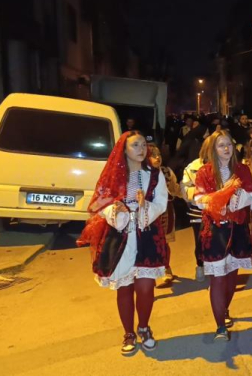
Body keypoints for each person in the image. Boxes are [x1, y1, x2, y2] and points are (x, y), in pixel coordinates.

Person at [77, 131, 168, 355]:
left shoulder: (154, 174)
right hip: (120, 235)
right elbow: (100, 203)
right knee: (124, 287)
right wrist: (115, 210)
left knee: (146, 287)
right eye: (135, 145)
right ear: (123, 149)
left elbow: (161, 203)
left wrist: (144, 206)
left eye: (143, 144)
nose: (141, 149)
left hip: (147, 233)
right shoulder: (114, 175)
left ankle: (144, 327)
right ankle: (128, 332)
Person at [194, 130, 252, 341]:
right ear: (213, 149)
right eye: (221, 145)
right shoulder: (204, 172)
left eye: (229, 144)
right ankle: (220, 325)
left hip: (238, 229)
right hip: (214, 230)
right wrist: (222, 196)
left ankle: (224, 309)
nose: (226, 148)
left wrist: (233, 199)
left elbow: (251, 194)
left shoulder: (242, 169)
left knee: (231, 279)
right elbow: (200, 199)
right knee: (218, 279)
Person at [181, 137, 215, 282]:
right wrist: (201, 195)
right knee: (200, 240)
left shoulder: (224, 164)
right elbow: (185, 188)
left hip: (219, 210)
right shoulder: (193, 166)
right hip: (198, 210)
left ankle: (216, 268)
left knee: (218, 239)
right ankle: (200, 265)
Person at [148, 145, 180, 286]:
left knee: (164, 242)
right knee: (148, 243)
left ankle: (166, 268)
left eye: (159, 154)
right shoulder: (140, 174)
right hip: (148, 212)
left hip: (165, 211)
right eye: (153, 155)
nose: (157, 157)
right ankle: (149, 273)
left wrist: (191, 194)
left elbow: (175, 188)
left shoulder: (166, 172)